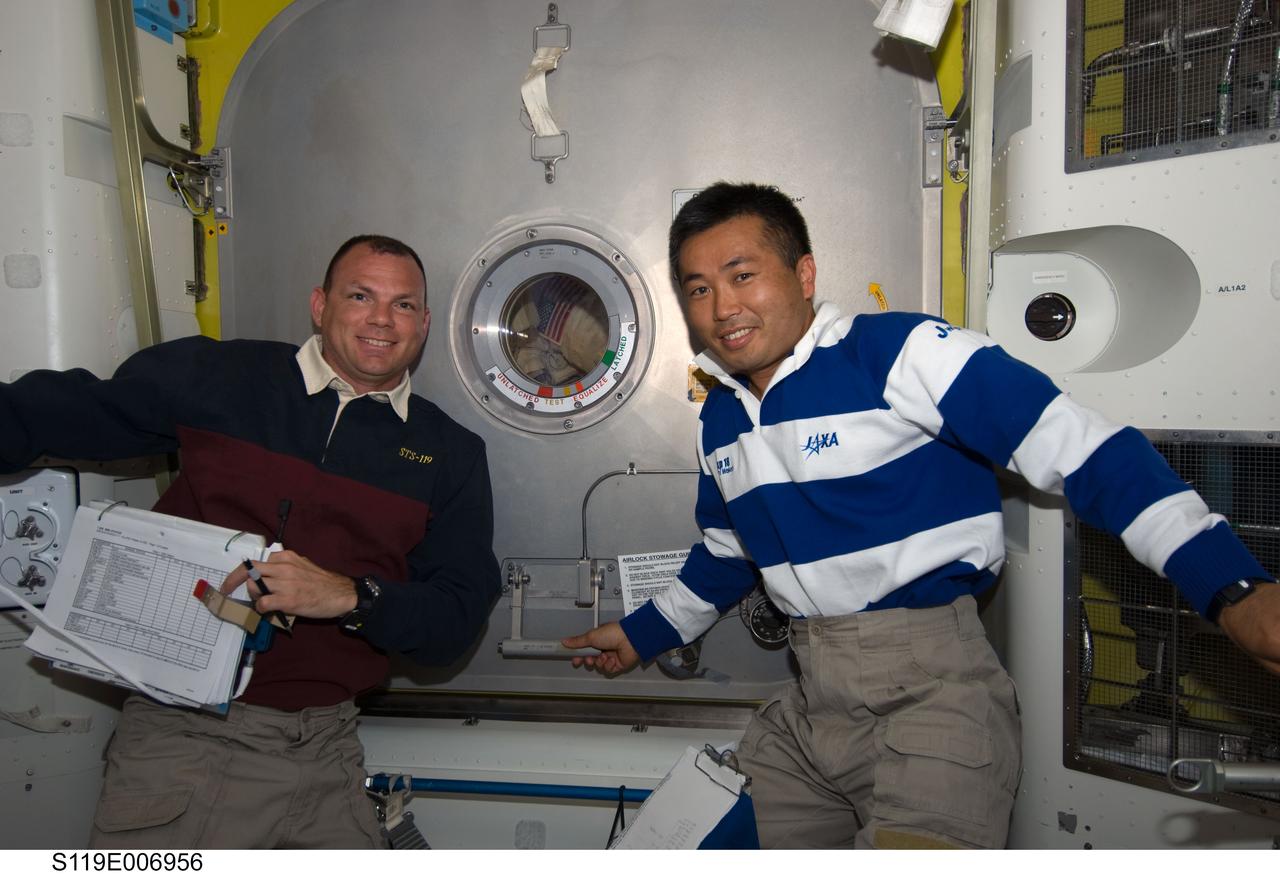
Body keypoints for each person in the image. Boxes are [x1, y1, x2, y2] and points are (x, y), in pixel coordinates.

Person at [563, 183, 1280, 849]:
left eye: (743, 275)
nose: (723, 308)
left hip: (933, 697)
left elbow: (1088, 451)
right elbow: (726, 554)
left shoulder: (898, 353)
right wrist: (638, 636)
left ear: (804, 275)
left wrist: (1232, 589)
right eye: (699, 288)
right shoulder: (720, 417)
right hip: (811, 700)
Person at [0, 234, 500, 848]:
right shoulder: (223, 378)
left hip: (330, 751)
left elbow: (456, 618)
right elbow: (63, 411)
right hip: (186, 741)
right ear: (319, 305)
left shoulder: (450, 455)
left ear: (422, 325)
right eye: (360, 295)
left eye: (402, 305)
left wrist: (352, 597)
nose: (380, 319)